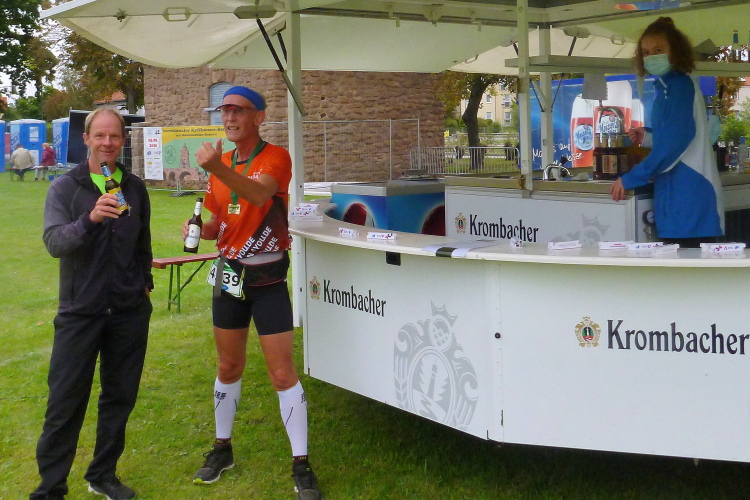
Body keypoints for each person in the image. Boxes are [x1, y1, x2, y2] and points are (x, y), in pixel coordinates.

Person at [186, 86, 323, 500]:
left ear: (259, 117)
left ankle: (301, 463)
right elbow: (217, 219)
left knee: (282, 373)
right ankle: (222, 449)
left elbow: (260, 194)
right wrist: (200, 229)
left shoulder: (276, 157)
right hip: (229, 276)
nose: (229, 118)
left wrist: (216, 167)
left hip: (267, 280)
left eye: (238, 111)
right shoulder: (221, 163)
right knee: (228, 366)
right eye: (224, 110)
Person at [30, 107, 154, 500]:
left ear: (123, 140)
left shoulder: (134, 187)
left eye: (114, 136)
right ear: (86, 139)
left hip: (127, 312)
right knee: (65, 402)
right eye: (99, 135)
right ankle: (51, 488)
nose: (107, 143)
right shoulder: (66, 188)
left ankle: (103, 474)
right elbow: (55, 242)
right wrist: (90, 219)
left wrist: (144, 283)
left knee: (119, 398)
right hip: (80, 312)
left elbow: (142, 243)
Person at [610, 16, 724, 248]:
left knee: (688, 266)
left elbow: (673, 145)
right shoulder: (666, 86)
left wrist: (631, 177)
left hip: (690, 198)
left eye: (658, 50)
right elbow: (677, 134)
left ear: (675, 51)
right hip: (679, 198)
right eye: (646, 52)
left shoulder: (679, 86)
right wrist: (647, 136)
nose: (651, 57)